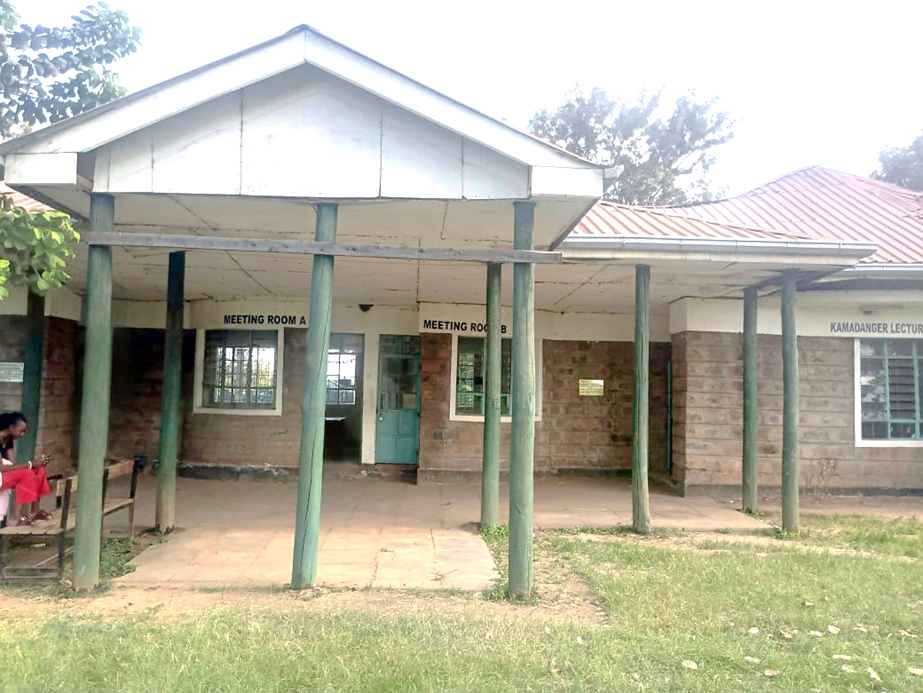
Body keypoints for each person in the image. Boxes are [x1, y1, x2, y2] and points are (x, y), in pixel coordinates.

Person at [0, 412, 52, 526]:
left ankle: (35, 510)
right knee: (26, 474)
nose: (22, 434)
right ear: (11, 427)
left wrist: (34, 465)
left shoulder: (8, 440)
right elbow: (2, 468)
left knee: (39, 471)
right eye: (21, 430)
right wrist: (30, 464)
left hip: (3, 475)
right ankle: (15, 517)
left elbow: (13, 464)